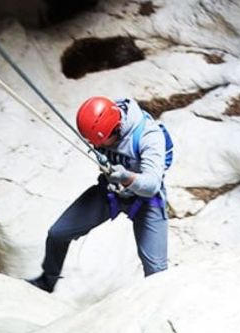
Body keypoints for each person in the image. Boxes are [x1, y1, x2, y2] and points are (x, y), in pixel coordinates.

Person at [27, 96, 171, 293]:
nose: (99, 146)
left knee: (157, 272)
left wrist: (126, 176)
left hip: (145, 201)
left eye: (102, 142)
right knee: (57, 234)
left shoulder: (149, 136)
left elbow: (152, 185)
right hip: (109, 194)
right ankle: (47, 281)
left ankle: (159, 312)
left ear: (117, 127)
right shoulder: (101, 127)